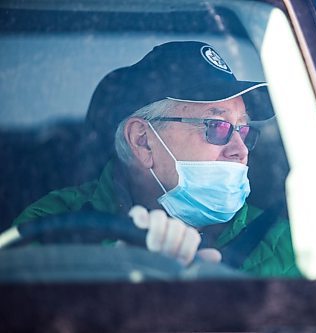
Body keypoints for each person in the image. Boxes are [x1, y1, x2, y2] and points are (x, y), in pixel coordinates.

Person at [12, 41, 300, 277]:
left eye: (244, 130)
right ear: (143, 141)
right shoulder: (55, 226)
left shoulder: (290, 246)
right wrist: (115, 269)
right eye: (217, 127)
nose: (241, 149)